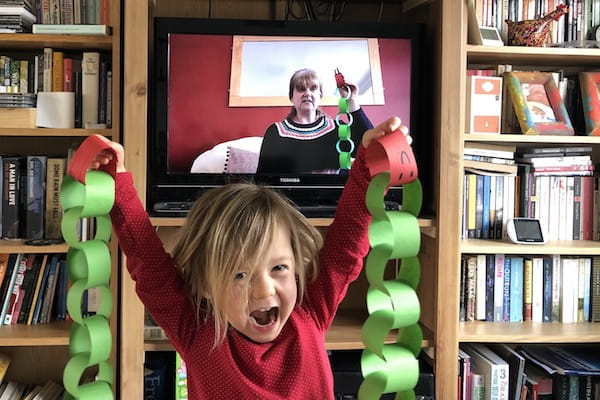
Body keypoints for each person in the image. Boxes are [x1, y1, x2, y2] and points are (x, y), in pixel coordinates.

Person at [90, 116, 409, 399]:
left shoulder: (309, 315)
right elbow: (150, 265)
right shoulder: (197, 332)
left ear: (297, 267)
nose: (264, 291)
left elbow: (346, 246)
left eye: (279, 268)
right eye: (239, 275)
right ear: (204, 285)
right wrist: (116, 185)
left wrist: (369, 165)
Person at [256, 68, 373, 175]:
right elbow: (263, 179)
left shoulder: (339, 129)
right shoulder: (275, 132)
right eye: (301, 89)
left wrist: (351, 101)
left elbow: (372, 148)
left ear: (320, 95)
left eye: (313, 88)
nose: (307, 93)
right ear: (291, 97)